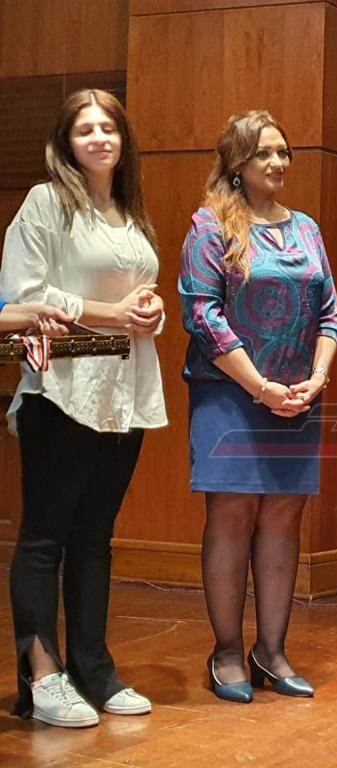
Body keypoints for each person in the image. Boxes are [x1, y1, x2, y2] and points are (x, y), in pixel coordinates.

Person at [0, 88, 167, 728]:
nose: (99, 138)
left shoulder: (129, 211)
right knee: (45, 537)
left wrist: (148, 309)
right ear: (65, 143)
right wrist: (111, 313)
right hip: (61, 391)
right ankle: (43, 678)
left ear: (124, 140)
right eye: (85, 129)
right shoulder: (45, 203)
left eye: (109, 128)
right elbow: (24, 295)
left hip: (123, 392)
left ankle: (94, 670)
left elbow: (135, 296)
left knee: (95, 538)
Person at [179, 110, 337, 704]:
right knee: (232, 516)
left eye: (282, 152)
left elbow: (330, 313)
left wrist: (317, 378)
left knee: (282, 520)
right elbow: (202, 315)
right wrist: (258, 386)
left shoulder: (307, 228)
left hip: (296, 398)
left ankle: (271, 652)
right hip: (230, 393)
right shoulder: (210, 226)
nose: (276, 162)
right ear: (236, 164)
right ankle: (226, 651)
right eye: (262, 153)